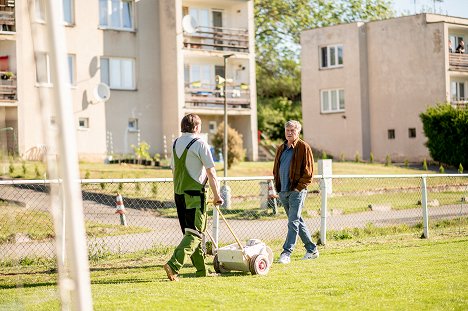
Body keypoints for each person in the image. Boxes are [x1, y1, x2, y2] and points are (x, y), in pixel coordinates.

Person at [164, 114, 223, 281]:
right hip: (195, 195)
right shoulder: (200, 144)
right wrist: (217, 195)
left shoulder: (175, 143)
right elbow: (211, 172)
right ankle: (173, 265)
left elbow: (174, 170)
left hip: (179, 194)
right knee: (195, 234)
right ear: (197, 128)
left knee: (190, 233)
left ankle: (201, 271)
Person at [273, 120, 319, 264]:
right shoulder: (281, 148)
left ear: (298, 131)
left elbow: (309, 172)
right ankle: (312, 250)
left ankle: (286, 253)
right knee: (297, 221)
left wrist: (298, 188)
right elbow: (276, 169)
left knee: (293, 222)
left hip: (296, 191)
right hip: (283, 190)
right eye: (287, 130)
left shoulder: (303, 147)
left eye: (292, 130)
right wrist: (278, 187)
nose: (289, 133)